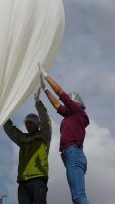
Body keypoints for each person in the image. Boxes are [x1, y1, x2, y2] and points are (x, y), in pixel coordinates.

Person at [39, 65, 90, 204]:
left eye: (70, 102)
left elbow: (61, 93)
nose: (67, 104)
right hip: (72, 155)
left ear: (75, 104)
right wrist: (45, 89)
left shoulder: (78, 112)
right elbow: (56, 105)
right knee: (77, 197)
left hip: (73, 153)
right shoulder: (70, 115)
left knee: (79, 197)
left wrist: (45, 75)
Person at [3, 88, 52, 204]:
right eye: (27, 123)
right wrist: (4, 113)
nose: (28, 125)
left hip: (38, 178)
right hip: (23, 180)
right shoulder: (22, 138)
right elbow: (10, 129)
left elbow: (45, 120)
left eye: (31, 122)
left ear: (37, 123)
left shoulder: (44, 135)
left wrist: (37, 102)